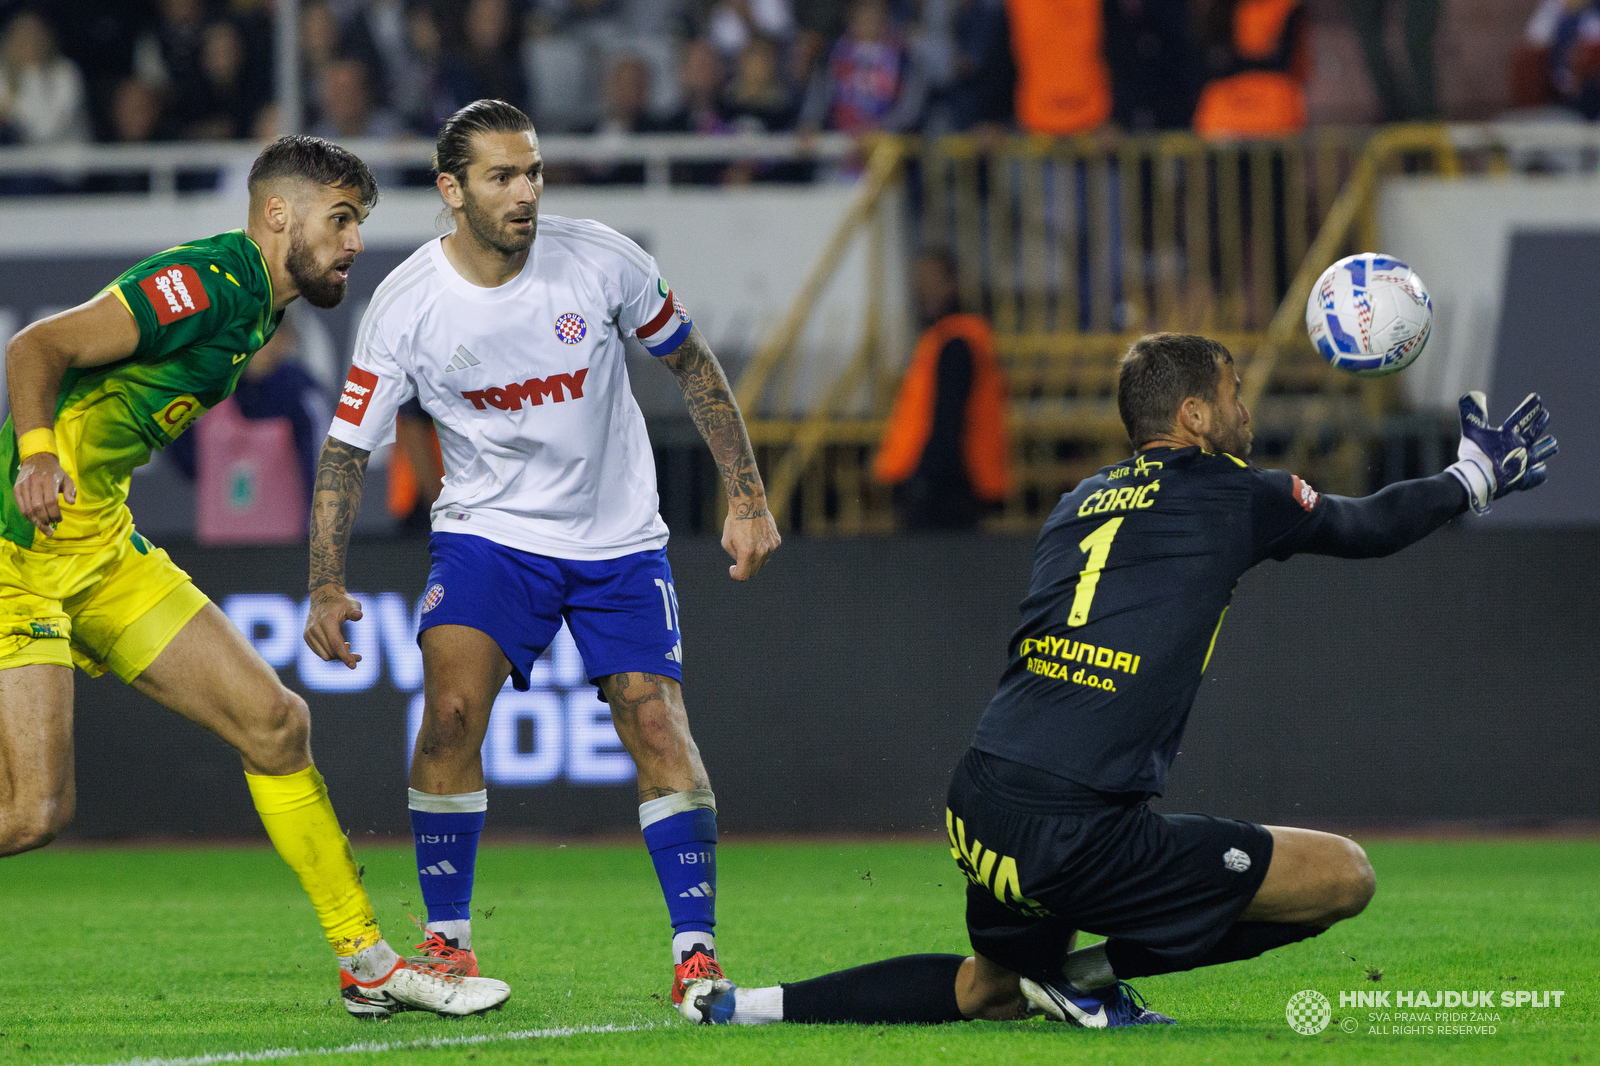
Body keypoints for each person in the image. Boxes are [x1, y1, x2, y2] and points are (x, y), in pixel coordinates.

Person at [681, 332, 1557, 1027]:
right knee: (1343, 878)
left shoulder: (1079, 501)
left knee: (988, 986)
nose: (1245, 410)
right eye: (1233, 393)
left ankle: (750, 1007)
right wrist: (1472, 477)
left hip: (980, 800)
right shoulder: (1234, 493)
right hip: (1076, 829)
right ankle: (1081, 979)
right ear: (1195, 416)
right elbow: (1363, 526)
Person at [0, 134, 509, 1019]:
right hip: (18, 554)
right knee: (33, 812)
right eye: (342, 219)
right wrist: (37, 455)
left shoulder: (265, 313)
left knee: (277, 725)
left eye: (360, 223)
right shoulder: (208, 282)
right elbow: (37, 347)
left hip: (102, 549)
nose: (355, 241)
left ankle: (367, 963)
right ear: (278, 215)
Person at [302, 100, 782, 1007]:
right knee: (448, 714)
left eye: (533, 174)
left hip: (617, 538)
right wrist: (326, 584)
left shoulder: (601, 259)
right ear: (452, 191)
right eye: (501, 177)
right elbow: (345, 450)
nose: (524, 194)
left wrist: (748, 495)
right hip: (489, 534)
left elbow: (692, 363)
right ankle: (446, 944)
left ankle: (696, 956)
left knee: (654, 722)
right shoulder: (405, 304)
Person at [873, 250, 1009, 531]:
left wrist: (927, 480)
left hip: (949, 487)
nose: (924, 292)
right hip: (951, 483)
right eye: (920, 284)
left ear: (952, 284)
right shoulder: (947, 337)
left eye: (932, 283)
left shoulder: (956, 342)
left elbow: (948, 421)